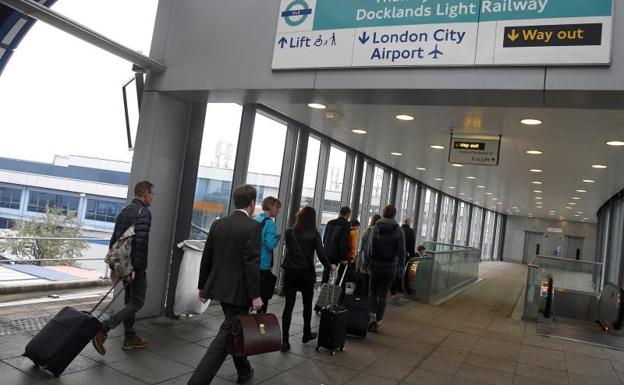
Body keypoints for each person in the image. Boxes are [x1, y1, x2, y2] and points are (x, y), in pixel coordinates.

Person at [188, 185, 263, 385]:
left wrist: (203, 287)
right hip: (239, 292)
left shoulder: (218, 224)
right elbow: (251, 264)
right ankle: (197, 381)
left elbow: (208, 256)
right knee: (224, 337)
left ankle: (244, 370)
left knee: (234, 328)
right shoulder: (253, 227)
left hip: (220, 288)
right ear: (252, 203)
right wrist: (255, 295)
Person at [92, 181, 154, 355]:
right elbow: (140, 243)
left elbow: (115, 240)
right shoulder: (144, 212)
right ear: (145, 193)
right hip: (135, 266)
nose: (152, 198)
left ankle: (130, 337)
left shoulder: (125, 210)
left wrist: (114, 267)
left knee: (129, 301)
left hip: (123, 264)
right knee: (137, 302)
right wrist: (135, 268)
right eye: (152, 194)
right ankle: (104, 329)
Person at [281, 207, 335, 352]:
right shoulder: (314, 234)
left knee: (288, 307)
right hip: (306, 273)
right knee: (307, 305)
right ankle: (306, 333)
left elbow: (291, 251)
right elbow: (322, 254)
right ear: (313, 218)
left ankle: (285, 341)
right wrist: (330, 267)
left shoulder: (289, 232)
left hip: (291, 272)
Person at [364, 205, 406, 332]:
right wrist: (401, 270)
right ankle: (378, 321)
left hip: (376, 266)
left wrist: (366, 264)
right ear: (394, 214)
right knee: (383, 295)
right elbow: (402, 251)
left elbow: (369, 249)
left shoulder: (376, 227)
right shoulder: (399, 230)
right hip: (391, 267)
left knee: (372, 292)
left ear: (383, 213)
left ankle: (371, 317)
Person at [253, 196, 281, 313]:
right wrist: (278, 238)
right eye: (277, 208)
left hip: (252, 262)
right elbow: (270, 245)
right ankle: (260, 325)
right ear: (270, 207)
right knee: (263, 298)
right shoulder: (270, 223)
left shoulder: (256, 219)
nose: (278, 210)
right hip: (263, 264)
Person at [322, 206, 351, 284]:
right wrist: (343, 257)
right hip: (337, 254)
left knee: (326, 272)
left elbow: (324, 238)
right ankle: (337, 293)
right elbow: (343, 242)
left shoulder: (330, 222)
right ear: (348, 214)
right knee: (340, 275)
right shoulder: (346, 225)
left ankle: (323, 289)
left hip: (327, 252)